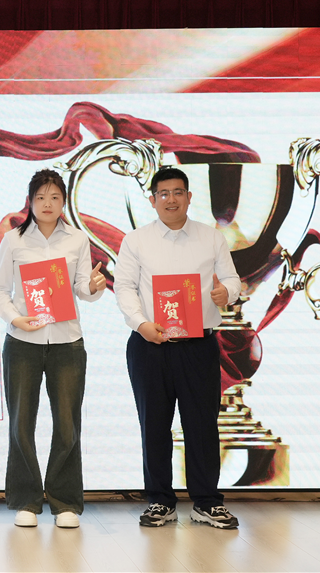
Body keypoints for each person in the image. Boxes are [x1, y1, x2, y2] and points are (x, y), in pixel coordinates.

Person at [114, 166, 241, 529]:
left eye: (178, 192)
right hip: (149, 345)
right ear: (152, 199)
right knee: (154, 425)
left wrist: (226, 293)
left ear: (189, 197)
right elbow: (124, 287)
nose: (171, 199)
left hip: (198, 344)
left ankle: (206, 501)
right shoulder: (136, 240)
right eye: (164, 193)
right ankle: (160, 501)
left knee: (202, 425)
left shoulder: (210, 237)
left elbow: (231, 279)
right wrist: (141, 324)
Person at [0, 169, 106, 529]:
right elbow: (0, 291)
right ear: (30, 201)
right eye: (40, 197)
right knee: (21, 424)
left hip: (67, 342)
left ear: (64, 202)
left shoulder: (77, 239)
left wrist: (94, 287)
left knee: (68, 425)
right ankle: (26, 500)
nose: (47, 203)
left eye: (55, 197)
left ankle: (65, 502)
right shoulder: (13, 240)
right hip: (22, 342)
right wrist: (16, 319)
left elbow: (83, 290)